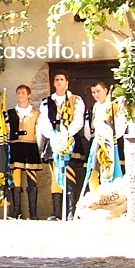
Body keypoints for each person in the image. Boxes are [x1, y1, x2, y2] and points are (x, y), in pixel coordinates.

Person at [38, 71, 87, 221]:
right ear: (53, 83)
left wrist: (66, 134)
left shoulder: (76, 100)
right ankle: (57, 212)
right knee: (55, 175)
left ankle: (71, 211)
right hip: (53, 139)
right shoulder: (46, 102)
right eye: (56, 80)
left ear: (67, 83)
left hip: (70, 139)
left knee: (69, 173)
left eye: (61, 80)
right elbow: (43, 121)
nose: (59, 82)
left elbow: (79, 120)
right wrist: (53, 135)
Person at [7, 85, 44, 220]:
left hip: (31, 147)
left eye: (23, 93)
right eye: (18, 93)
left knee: (31, 180)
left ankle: (33, 213)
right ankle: (16, 211)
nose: (21, 95)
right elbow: (7, 130)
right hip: (15, 147)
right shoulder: (10, 113)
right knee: (16, 179)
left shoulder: (36, 113)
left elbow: (39, 132)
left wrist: (39, 148)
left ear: (29, 95)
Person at [85, 81, 127, 187]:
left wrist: (110, 139)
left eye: (98, 91)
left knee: (111, 171)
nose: (96, 95)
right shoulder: (95, 106)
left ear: (105, 90)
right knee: (93, 170)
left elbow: (121, 125)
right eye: (93, 92)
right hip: (98, 142)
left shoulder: (114, 105)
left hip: (111, 142)